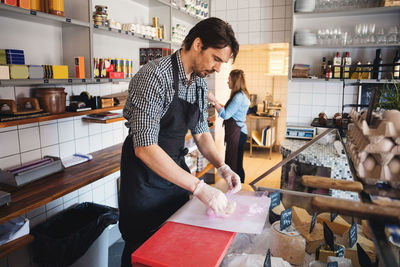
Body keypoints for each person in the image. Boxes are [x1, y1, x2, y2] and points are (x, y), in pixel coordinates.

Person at [119, 17, 241, 267]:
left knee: (171, 244)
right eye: (216, 59)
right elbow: (145, 147)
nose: (218, 69)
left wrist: (222, 166)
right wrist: (199, 188)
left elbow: (201, 133)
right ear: (198, 44)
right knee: (142, 248)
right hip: (145, 181)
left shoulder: (197, 82)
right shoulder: (154, 76)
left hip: (174, 176)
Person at [207, 69, 250, 183]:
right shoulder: (242, 94)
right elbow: (229, 110)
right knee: (236, 162)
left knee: (234, 163)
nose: (227, 82)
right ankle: (239, 186)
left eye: (229, 79)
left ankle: (237, 187)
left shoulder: (238, 97)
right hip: (239, 133)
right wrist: (218, 104)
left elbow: (225, 114)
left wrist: (214, 100)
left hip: (237, 133)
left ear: (235, 81)